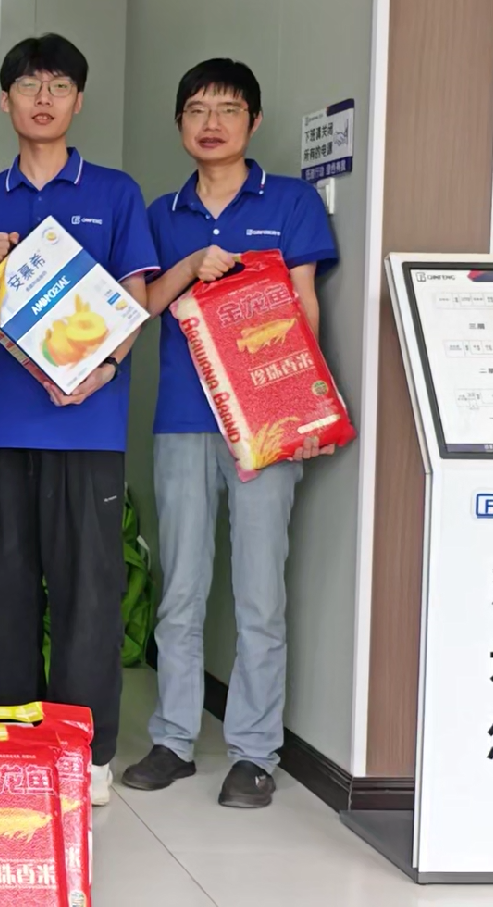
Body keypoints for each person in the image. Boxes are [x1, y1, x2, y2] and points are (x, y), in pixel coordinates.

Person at [121, 59, 338, 809]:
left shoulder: (291, 202)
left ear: (253, 120)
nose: (211, 123)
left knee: (258, 594)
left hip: (265, 423)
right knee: (181, 589)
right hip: (182, 420)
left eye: (227, 109)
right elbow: (141, 306)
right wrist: (189, 264)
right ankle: (173, 740)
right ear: (179, 123)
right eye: (197, 110)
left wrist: (306, 411)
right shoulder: (162, 212)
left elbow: (304, 307)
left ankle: (253, 753)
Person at [0, 34, 157, 806]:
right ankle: (13, 739)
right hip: (2, 425)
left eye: (59, 85)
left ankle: (84, 753)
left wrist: (100, 373)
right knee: (5, 591)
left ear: (78, 100)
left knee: (87, 594)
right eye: (29, 85)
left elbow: (133, 301)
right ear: (4, 100)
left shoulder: (114, 192)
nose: (43, 98)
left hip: (86, 424)